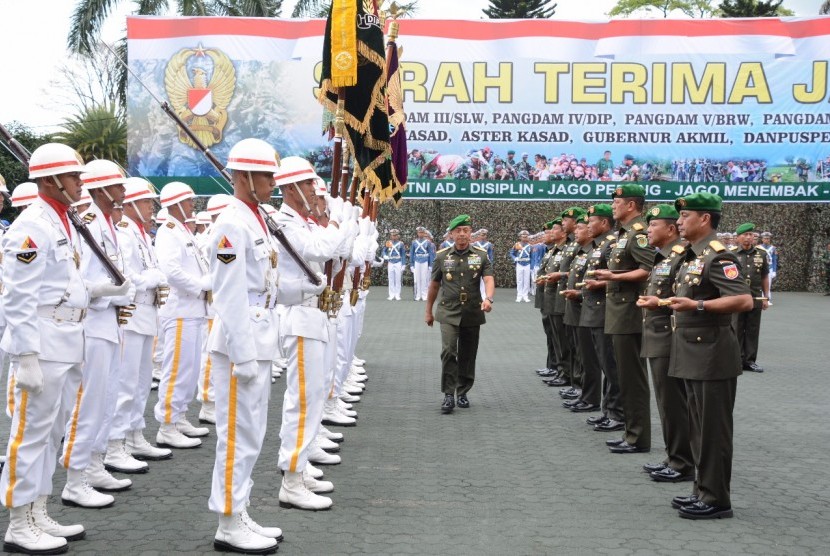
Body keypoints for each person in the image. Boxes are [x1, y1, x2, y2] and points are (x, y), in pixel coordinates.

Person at [0, 143, 95, 552]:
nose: (79, 182)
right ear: (51, 180)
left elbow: (63, 283)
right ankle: (18, 522)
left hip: (66, 340)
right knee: (30, 434)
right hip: (41, 343)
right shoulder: (32, 226)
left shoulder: (62, 221)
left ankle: (38, 509)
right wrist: (25, 358)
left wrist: (96, 292)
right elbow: (17, 298)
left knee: (53, 433)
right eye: (73, 176)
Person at [206, 138, 283, 554]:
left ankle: (240, 509)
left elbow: (265, 283)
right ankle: (229, 522)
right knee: (236, 434)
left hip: (260, 335)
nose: (274, 183)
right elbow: (230, 295)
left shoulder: (257, 219)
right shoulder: (232, 223)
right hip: (243, 343)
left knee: (252, 434)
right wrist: (244, 354)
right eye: (267, 176)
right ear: (245, 177)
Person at [667, 192, 752, 520]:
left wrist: (698, 306)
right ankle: (701, 490)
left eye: (685, 217)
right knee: (699, 428)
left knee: (713, 430)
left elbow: (743, 300)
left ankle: (717, 500)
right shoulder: (693, 256)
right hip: (692, 352)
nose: (679, 222)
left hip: (712, 354)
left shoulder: (719, 257)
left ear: (704, 218)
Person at [61, 160, 137, 507]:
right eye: (118, 185)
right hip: (92, 325)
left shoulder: (108, 224)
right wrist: (111, 291)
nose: (124, 192)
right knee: (87, 404)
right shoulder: (88, 222)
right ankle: (74, 478)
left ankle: (93, 463)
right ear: (103, 189)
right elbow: (80, 284)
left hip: (110, 325)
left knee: (105, 400)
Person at [274, 157, 344, 511]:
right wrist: (336, 220)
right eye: (308, 187)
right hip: (299, 316)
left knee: (312, 395)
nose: (315, 193)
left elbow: (340, 250)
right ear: (289, 189)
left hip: (312, 316)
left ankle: (299, 467)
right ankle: (291, 478)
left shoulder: (300, 221)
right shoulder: (285, 222)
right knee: (301, 399)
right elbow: (323, 248)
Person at [109, 178, 173, 465]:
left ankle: (135, 435)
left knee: (141, 381)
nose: (152, 207)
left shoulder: (142, 235)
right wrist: (153, 279)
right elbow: (126, 277)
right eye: (147, 201)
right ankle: (114, 444)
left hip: (147, 314)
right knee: (125, 383)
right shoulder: (124, 233)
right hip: (132, 314)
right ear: (132, 204)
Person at [592, 184, 653, 453]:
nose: (613, 206)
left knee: (632, 378)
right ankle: (630, 432)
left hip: (629, 313)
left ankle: (637, 437)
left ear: (630, 205)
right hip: (618, 312)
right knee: (624, 376)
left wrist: (614, 277)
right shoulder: (623, 233)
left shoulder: (638, 234)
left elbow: (647, 269)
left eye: (616, 202)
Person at [636, 205, 694, 483]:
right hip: (656, 337)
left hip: (670, 339)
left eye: (653, 225)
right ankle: (674, 456)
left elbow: (682, 297)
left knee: (674, 403)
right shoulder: (662, 259)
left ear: (669, 229)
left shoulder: (681, 258)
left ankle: (683, 462)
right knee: (665, 402)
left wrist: (658, 302)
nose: (648, 230)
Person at [153, 182, 212, 449]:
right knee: (177, 369)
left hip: (192, 310)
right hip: (180, 310)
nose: (192, 205)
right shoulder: (168, 232)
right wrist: (201, 285)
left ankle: (179, 416)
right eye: (188, 201)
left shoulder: (183, 231)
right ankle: (167, 423)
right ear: (176, 204)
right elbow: (171, 272)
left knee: (189, 369)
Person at [425, 215, 494, 414]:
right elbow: (434, 285)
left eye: (466, 230)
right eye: (458, 231)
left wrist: (488, 299)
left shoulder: (481, 255)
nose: (462, 234)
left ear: (470, 233)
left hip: (472, 310)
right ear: (452, 234)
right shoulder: (442, 256)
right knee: (448, 351)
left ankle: (462, 392)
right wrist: (428, 311)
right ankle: (448, 394)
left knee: (468, 354)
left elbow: (489, 279)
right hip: (448, 310)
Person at [731, 223, 770, 373]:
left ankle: (750, 361)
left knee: (753, 329)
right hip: (737, 298)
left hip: (755, 297)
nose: (748, 237)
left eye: (751, 235)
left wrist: (766, 297)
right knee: (737, 327)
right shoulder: (731, 254)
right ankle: (736, 360)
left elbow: (764, 276)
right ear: (738, 237)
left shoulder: (761, 254)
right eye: (745, 235)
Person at [409, 227, 435, 301]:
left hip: (425, 261)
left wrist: (430, 265)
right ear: (417, 233)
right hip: (417, 261)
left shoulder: (428, 242)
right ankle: (418, 295)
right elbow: (412, 254)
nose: (420, 234)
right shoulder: (414, 242)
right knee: (417, 279)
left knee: (424, 279)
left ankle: (424, 295)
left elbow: (431, 254)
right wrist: (411, 264)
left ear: (424, 233)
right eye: (419, 232)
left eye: (422, 232)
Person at [382, 229, 406, 301]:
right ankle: (391, 294)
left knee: (398, 279)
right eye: (393, 235)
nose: (394, 237)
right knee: (391, 278)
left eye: (395, 235)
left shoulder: (401, 243)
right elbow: (384, 250)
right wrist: (384, 255)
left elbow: (403, 254)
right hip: (390, 262)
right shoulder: (388, 242)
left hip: (398, 261)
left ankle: (397, 294)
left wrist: (403, 264)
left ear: (398, 236)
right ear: (391, 236)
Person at [509, 231, 531, 302]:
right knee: (519, 280)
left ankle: (525, 296)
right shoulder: (517, 244)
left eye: (526, 236)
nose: (524, 238)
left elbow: (533, 255)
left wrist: (532, 265)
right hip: (519, 263)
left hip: (527, 263)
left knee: (526, 280)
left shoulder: (530, 245)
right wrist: (515, 258)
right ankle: (519, 295)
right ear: (520, 237)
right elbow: (512, 253)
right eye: (523, 236)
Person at [759, 231, 778, 301]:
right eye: (765, 238)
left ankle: (767, 299)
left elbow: (774, 260)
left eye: (768, 238)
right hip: (760, 267)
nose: (767, 240)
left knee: (768, 284)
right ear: (762, 239)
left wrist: (774, 270)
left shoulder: (773, 248)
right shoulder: (758, 247)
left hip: (769, 268)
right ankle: (760, 298)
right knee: (759, 284)